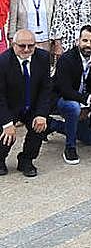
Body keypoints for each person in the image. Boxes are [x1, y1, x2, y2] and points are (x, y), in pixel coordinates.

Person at [0, 29, 53, 176]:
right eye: (22, 46)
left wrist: (42, 114)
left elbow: (46, 88)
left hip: (32, 105)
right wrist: (7, 123)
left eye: (31, 46)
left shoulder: (42, 58)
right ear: (13, 44)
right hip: (10, 106)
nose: (26, 50)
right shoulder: (3, 62)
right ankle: (0, 159)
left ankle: (26, 160)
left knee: (39, 127)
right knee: (5, 134)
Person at [50, 23, 91, 163]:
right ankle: (70, 148)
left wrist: (88, 107)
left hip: (83, 102)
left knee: (90, 140)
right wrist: (88, 100)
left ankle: (52, 125)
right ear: (77, 41)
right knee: (74, 107)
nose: (88, 44)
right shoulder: (67, 59)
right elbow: (65, 91)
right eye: (85, 40)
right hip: (61, 100)